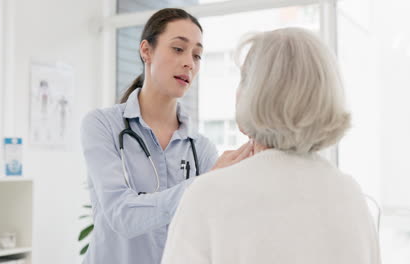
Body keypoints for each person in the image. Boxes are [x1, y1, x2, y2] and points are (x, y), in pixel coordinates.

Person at [161, 28, 382, 264]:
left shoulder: (208, 195)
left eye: (243, 80)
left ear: (252, 95)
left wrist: (213, 185)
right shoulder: (352, 198)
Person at [80, 8, 252, 264]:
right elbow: (121, 215)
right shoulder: (103, 125)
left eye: (197, 55)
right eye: (178, 49)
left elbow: (211, 223)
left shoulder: (200, 147)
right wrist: (204, 184)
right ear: (146, 51)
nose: (189, 63)